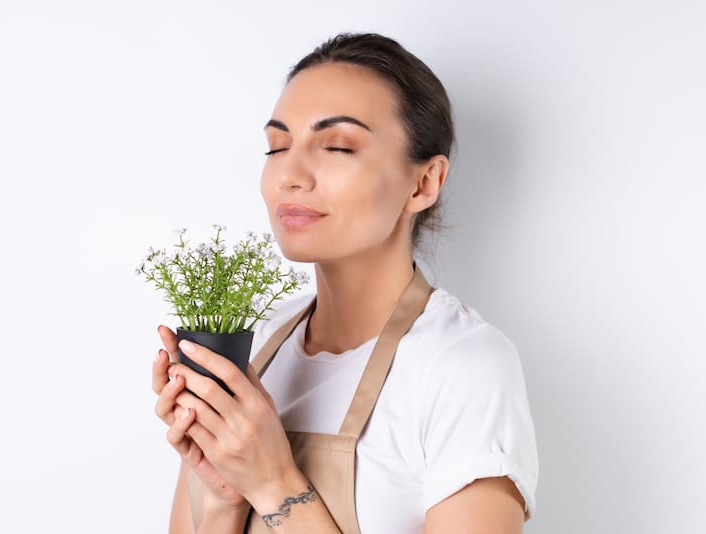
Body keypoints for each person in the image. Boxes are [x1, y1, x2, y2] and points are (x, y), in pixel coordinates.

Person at [151, 32, 538, 533]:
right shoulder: (255, 342)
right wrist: (225, 496)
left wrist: (274, 483)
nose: (290, 173)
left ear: (424, 183)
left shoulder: (461, 366)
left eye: (336, 146)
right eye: (277, 146)